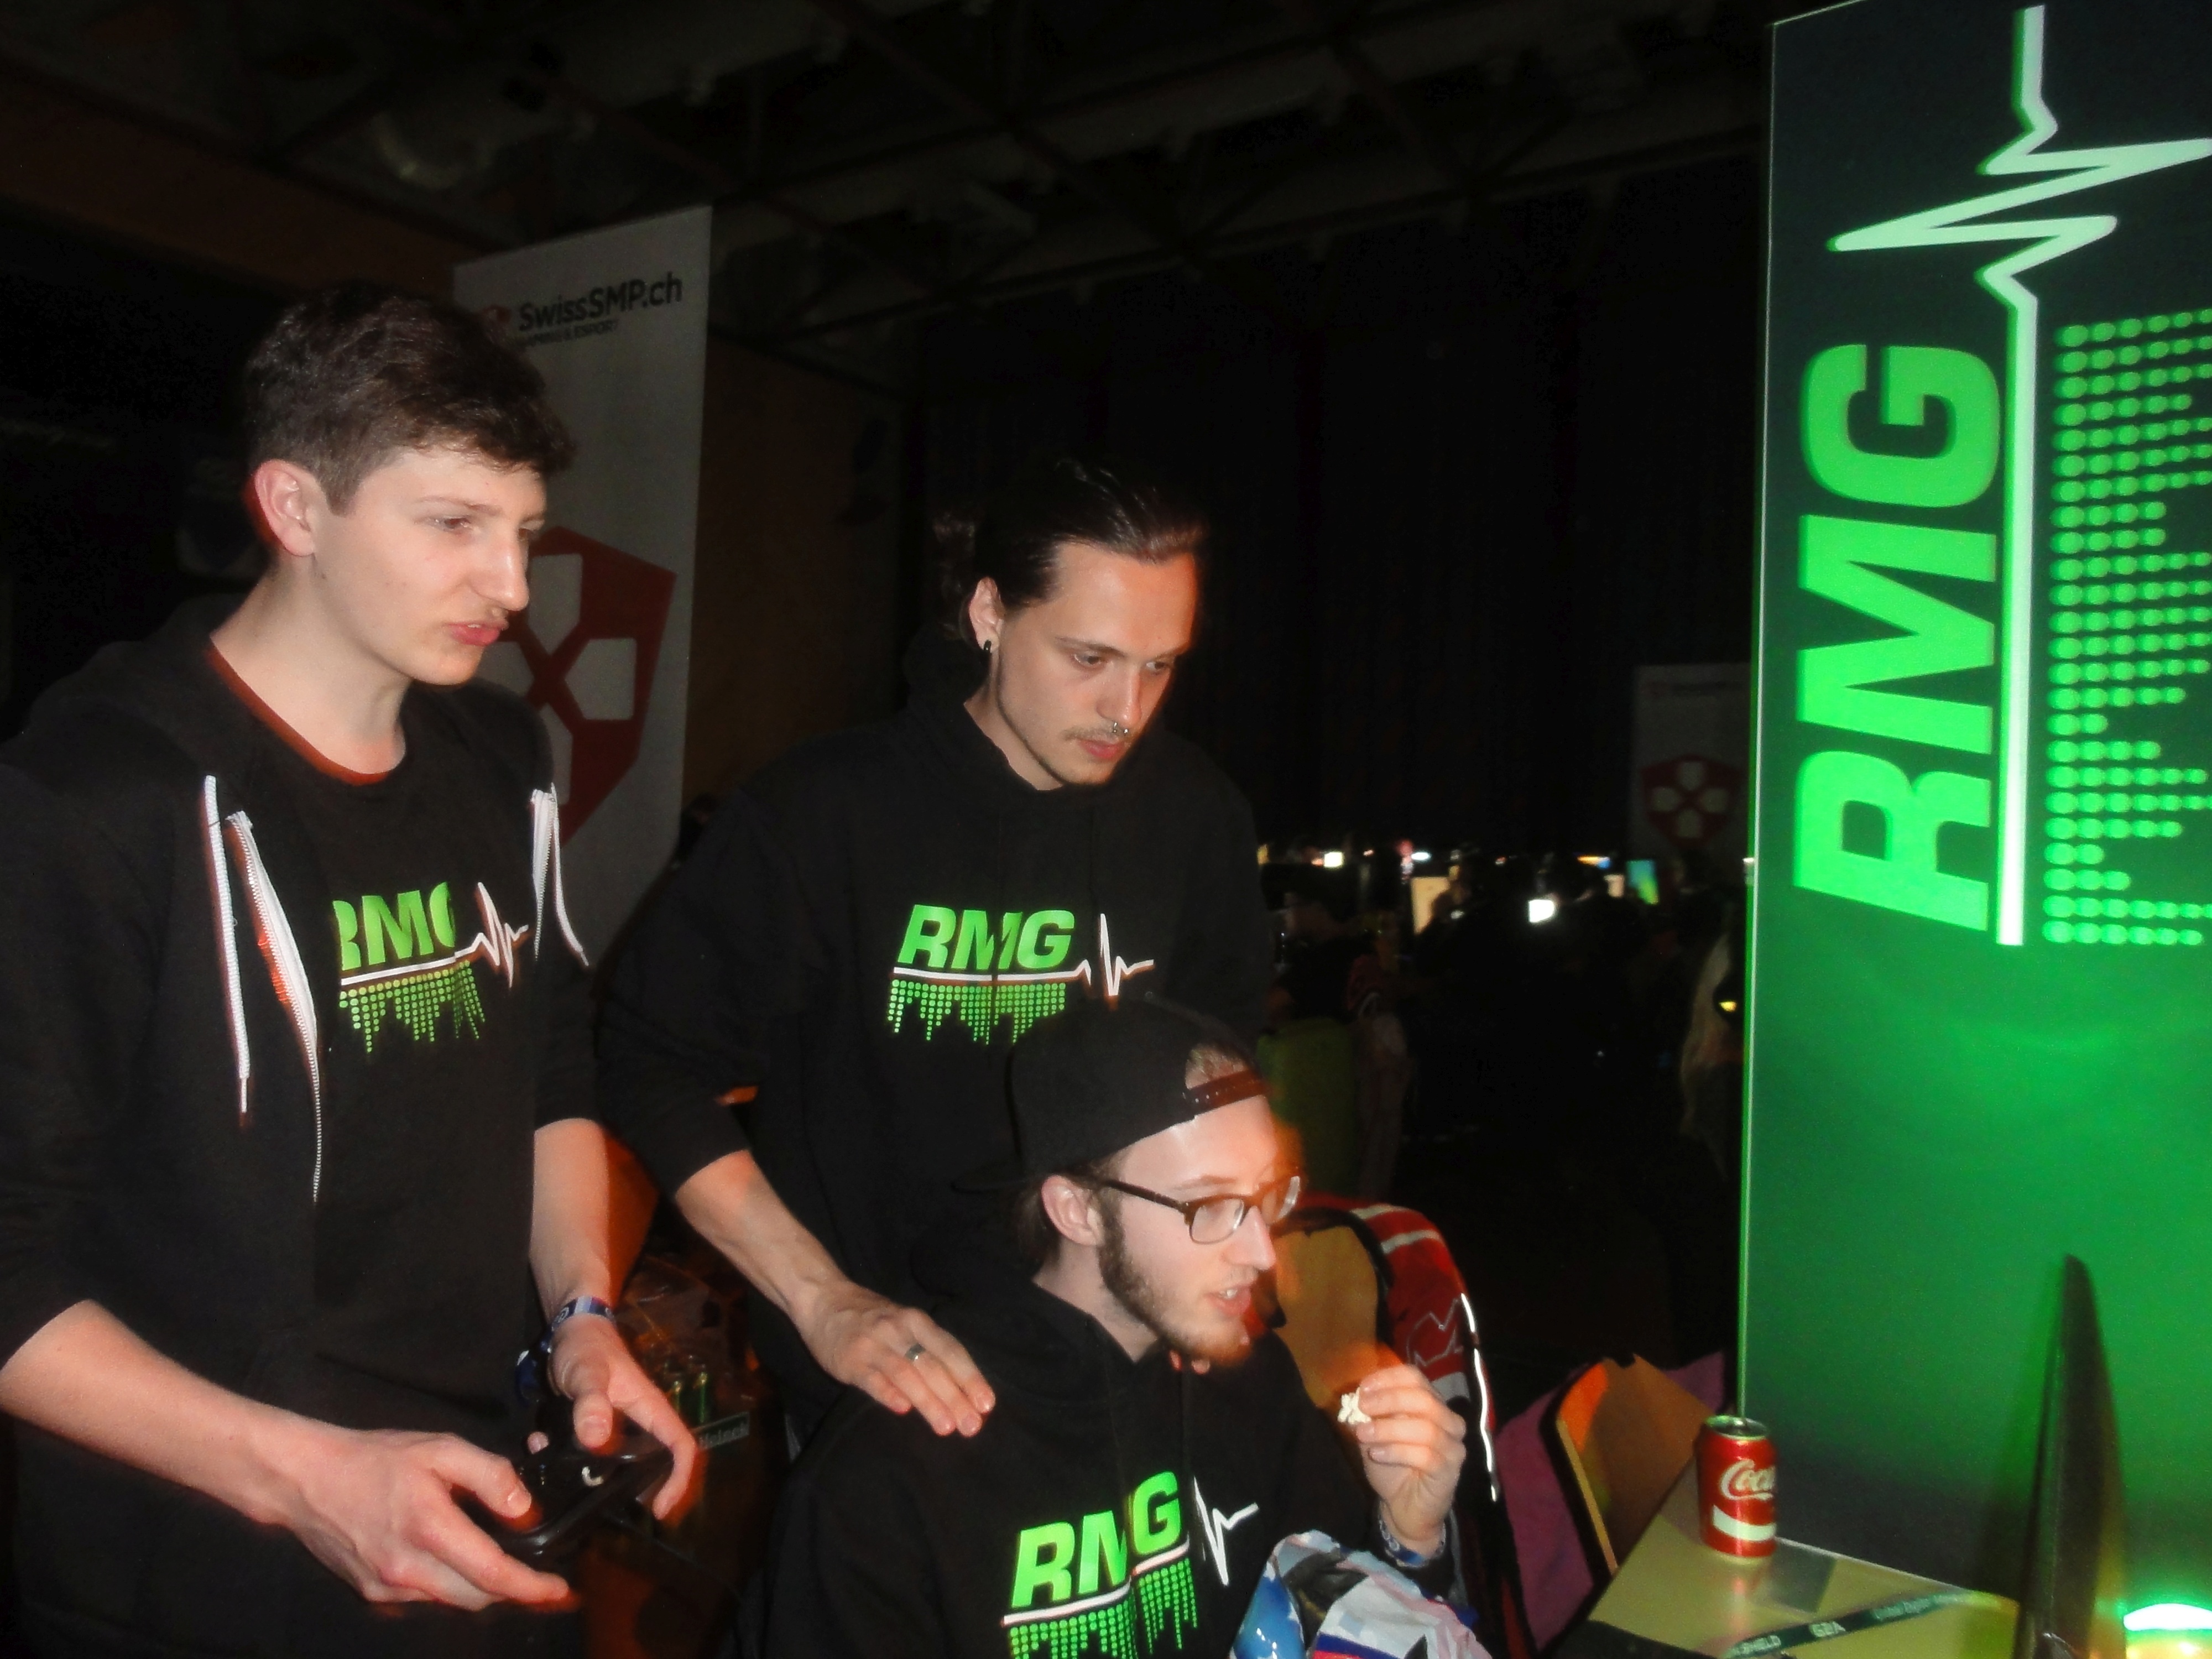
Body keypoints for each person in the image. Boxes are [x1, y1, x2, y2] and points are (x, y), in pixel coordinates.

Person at [0, 284, 695, 1656]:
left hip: (482, 1496)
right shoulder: (92, 800)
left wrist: (582, 1318)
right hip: (207, 1566)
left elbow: (551, 1073)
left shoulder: (502, 760)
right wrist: (306, 1478)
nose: (512, 588)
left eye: (524, 533)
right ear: (294, 507)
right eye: (453, 525)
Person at [599, 454, 1274, 1440]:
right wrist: (822, 1298)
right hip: (887, 1392)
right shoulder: (823, 815)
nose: (1126, 710)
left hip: (1123, 1369)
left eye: (1159, 665)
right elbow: (650, 1066)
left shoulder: (1194, 817)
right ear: (990, 613)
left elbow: (1221, 1080)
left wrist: (1209, 1267)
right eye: (1089, 658)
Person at [744, 995, 1468, 1657]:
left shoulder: (1254, 1387)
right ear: (1078, 1211)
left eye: (1268, 1195)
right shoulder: (891, 1474)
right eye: (1210, 1206)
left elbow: (1344, 1627)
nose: (1261, 1252)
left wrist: (1406, 1532)